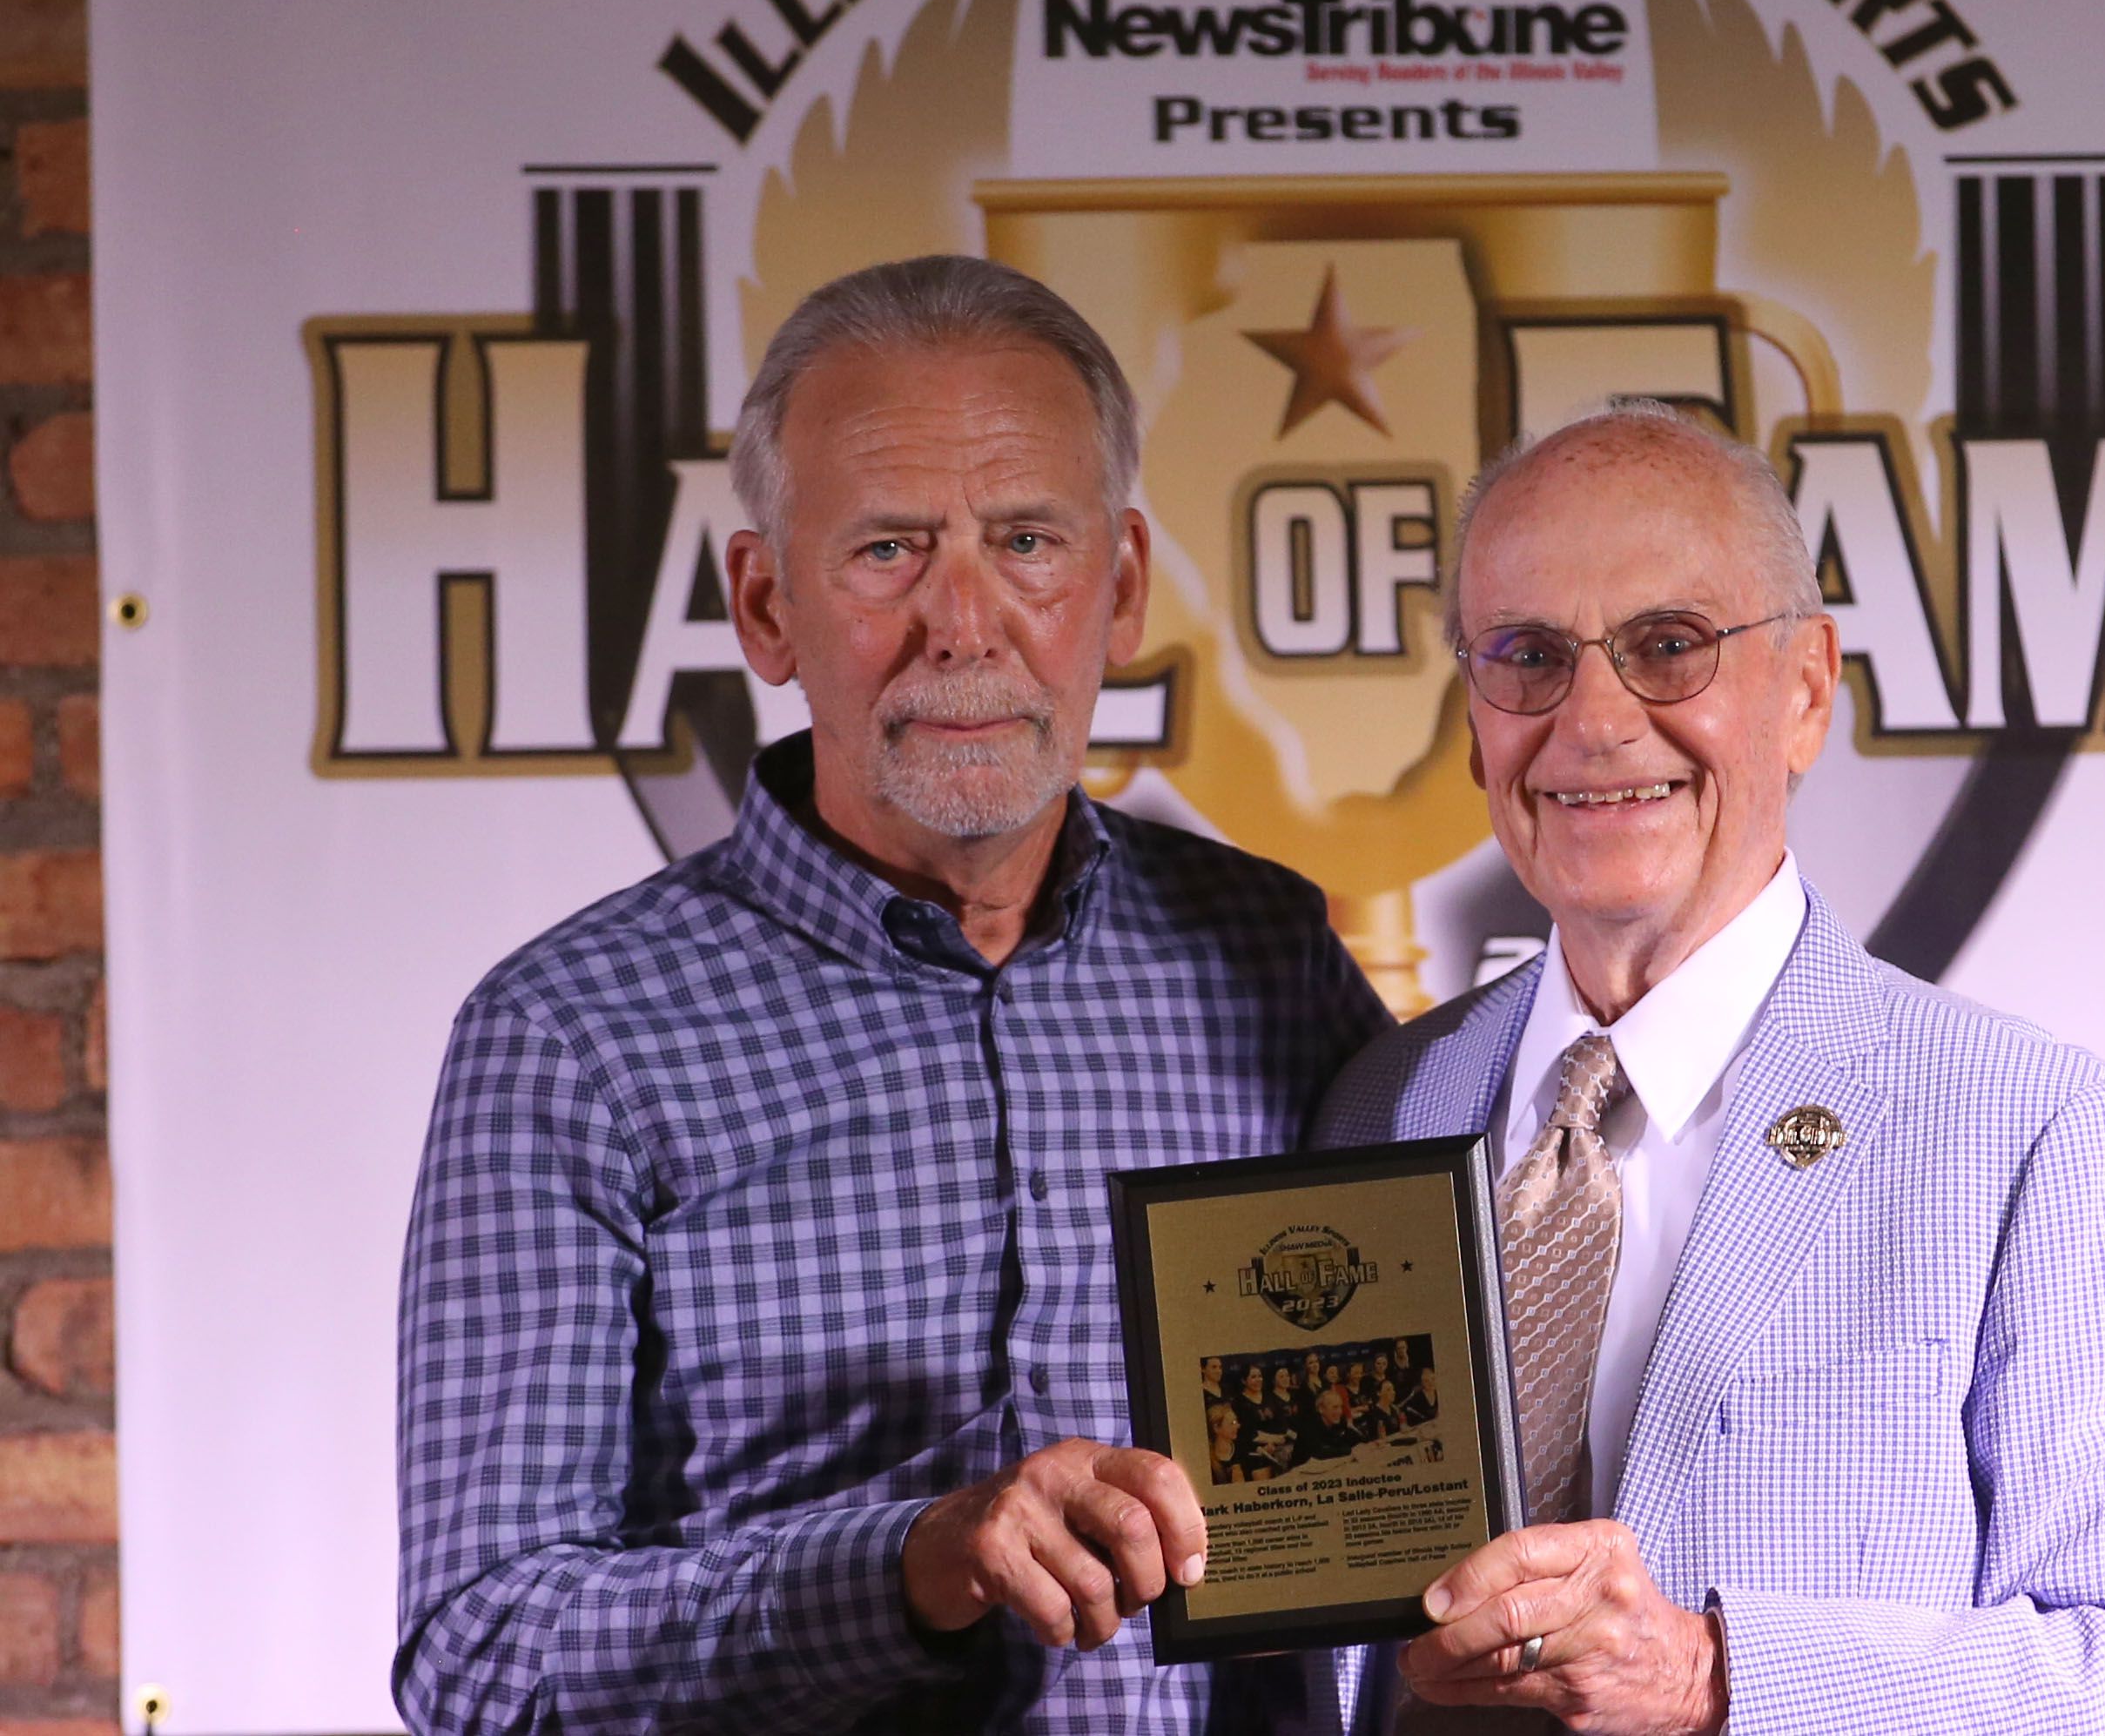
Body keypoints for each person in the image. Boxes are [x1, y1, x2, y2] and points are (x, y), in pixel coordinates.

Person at [395, 257, 1390, 1736]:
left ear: (1116, 589)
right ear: (765, 604)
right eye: (887, 551)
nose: (965, 622)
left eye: (1027, 539)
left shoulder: (1270, 959)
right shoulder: (573, 1036)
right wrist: (918, 1558)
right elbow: (482, 1652)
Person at [1315, 404, 2105, 1734]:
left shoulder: (2025, 1128)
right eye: (1528, 655)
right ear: (1474, 724)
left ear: (1808, 690)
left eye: (1668, 647)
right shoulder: (1381, 1107)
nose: (1594, 721)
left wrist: (1719, 1677)